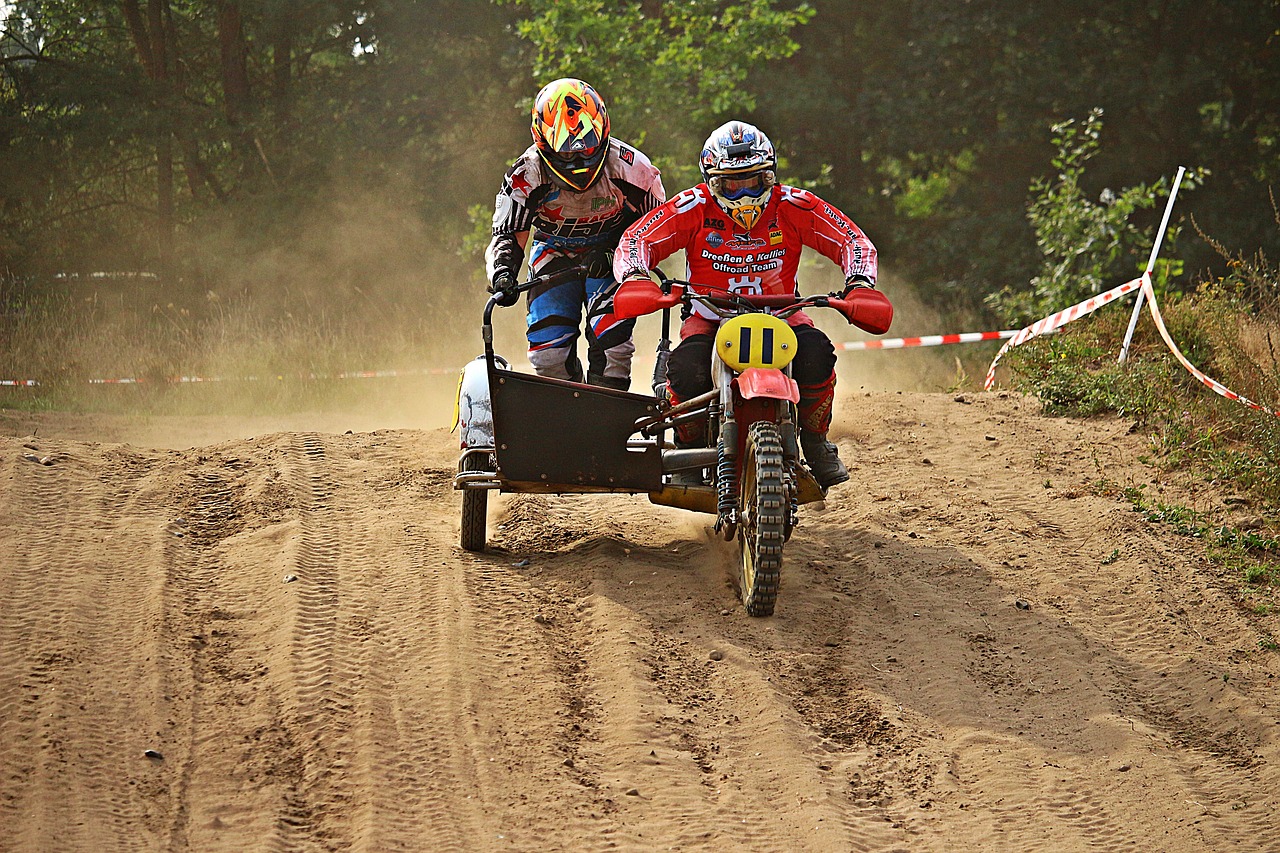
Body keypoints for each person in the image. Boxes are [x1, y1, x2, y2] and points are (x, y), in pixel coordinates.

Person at [612, 120, 881, 488]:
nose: (743, 194)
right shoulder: (694, 206)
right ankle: (687, 449)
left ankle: (816, 441)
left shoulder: (794, 205)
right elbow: (636, 239)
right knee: (686, 369)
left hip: (782, 312)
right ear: (713, 181)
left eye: (754, 181)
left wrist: (859, 282)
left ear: (770, 176)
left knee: (817, 353)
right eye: (731, 184)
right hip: (709, 315)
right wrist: (636, 276)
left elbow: (852, 239)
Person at [485, 78, 666, 390]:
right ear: (543, 143)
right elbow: (506, 236)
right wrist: (502, 273)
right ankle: (569, 417)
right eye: (567, 156)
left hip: (613, 255)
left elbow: (660, 231)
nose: (580, 163)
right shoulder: (525, 175)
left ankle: (608, 419)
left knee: (613, 348)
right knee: (548, 354)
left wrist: (619, 256)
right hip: (553, 252)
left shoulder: (634, 169)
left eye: (589, 151)